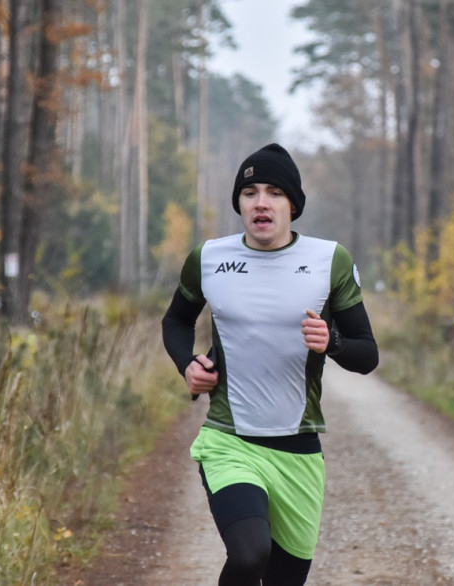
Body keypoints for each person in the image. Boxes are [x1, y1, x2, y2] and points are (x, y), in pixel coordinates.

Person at [161, 142, 379, 585]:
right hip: (229, 442)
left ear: (293, 205)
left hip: (298, 450)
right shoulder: (208, 259)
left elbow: (367, 354)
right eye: (250, 192)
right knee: (247, 555)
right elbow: (176, 321)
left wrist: (331, 341)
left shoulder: (328, 261)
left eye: (275, 192)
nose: (261, 202)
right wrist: (187, 364)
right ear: (239, 203)